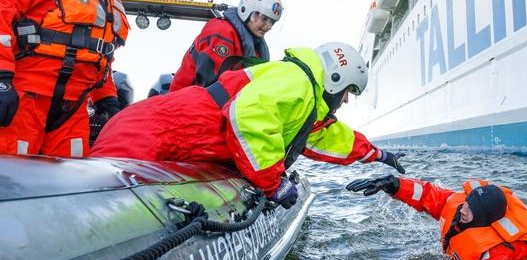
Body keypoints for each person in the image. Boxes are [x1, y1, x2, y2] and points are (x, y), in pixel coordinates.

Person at [91, 42, 406, 209]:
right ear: (337, 80)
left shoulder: (302, 96)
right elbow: (249, 116)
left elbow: (328, 136)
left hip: (168, 131)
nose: (347, 101)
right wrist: (273, 184)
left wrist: (377, 155)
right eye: (349, 92)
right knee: (97, 205)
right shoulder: (297, 81)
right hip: (154, 132)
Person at [0, 0, 128, 157]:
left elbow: (99, 58)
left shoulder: (109, 4)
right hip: (25, 98)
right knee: (11, 166)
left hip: (74, 107)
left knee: (71, 173)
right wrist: (2, 77)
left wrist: (107, 99)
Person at [346, 177, 527, 260]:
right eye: (466, 203)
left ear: (484, 219)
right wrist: (393, 184)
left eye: (471, 210)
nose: (462, 209)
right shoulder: (458, 206)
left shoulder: (498, 253)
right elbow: (427, 194)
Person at [168, 0, 283, 93]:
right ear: (247, 11)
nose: (268, 26)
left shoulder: (256, 47)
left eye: (272, 22)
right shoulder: (222, 31)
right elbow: (210, 84)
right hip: (185, 102)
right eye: (264, 19)